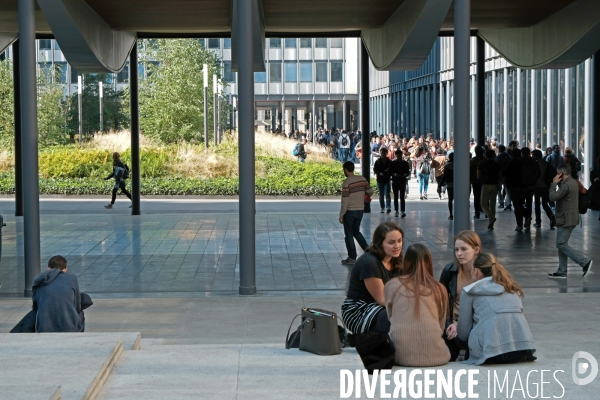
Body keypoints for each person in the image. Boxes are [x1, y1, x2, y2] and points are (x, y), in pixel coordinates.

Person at [458, 252, 536, 365]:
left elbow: (463, 334)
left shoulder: (470, 291)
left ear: (476, 271)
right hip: (522, 350)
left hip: (491, 354)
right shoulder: (512, 288)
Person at [385, 244, 450, 367]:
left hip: (400, 357)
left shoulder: (392, 285)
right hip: (438, 357)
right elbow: (441, 326)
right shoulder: (439, 288)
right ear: (429, 262)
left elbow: (390, 317)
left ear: (406, 262)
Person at [341, 222, 404, 335]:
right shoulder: (370, 263)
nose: (397, 246)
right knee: (392, 315)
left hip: (381, 306)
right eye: (391, 242)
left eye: (399, 241)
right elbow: (382, 299)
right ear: (380, 244)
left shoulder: (396, 260)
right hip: (358, 310)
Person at [439, 230, 482, 361]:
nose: (459, 253)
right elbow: (442, 301)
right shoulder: (450, 271)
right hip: (452, 323)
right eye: (456, 249)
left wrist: (460, 325)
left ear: (476, 249)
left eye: (464, 249)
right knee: (448, 355)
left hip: (475, 323)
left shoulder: (484, 272)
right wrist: (449, 324)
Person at [548, 165, 593, 278]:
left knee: (561, 244)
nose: (556, 176)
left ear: (562, 174)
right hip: (567, 217)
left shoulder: (567, 184)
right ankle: (562, 271)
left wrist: (553, 183)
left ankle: (584, 262)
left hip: (567, 218)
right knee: (561, 244)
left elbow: (553, 197)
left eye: (558, 174)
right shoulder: (572, 182)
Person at [32, 255, 85, 333]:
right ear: (65, 269)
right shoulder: (71, 278)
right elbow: (76, 304)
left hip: (45, 327)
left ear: (48, 268)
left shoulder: (39, 280)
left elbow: (35, 305)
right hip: (70, 327)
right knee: (80, 312)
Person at [339, 161, 374, 265]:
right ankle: (367, 249)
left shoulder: (347, 182)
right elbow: (371, 191)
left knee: (349, 234)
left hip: (350, 211)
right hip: (360, 210)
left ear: (345, 169)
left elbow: (345, 200)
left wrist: (342, 214)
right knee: (356, 231)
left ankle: (352, 257)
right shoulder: (362, 179)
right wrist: (363, 195)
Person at [507, 147, 540, 231]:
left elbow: (509, 174)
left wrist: (508, 186)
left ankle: (520, 224)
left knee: (517, 205)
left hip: (518, 186)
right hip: (530, 186)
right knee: (528, 203)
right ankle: (527, 220)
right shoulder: (533, 162)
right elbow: (538, 173)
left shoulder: (516, 162)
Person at [532, 149, 556, 229]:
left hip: (537, 186)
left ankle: (538, 221)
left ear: (535, 155)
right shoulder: (545, 163)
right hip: (546, 186)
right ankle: (551, 215)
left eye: (533, 155)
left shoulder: (534, 164)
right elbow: (553, 172)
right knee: (545, 203)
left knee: (537, 204)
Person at [478, 149, 501, 230]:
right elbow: (500, 175)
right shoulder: (497, 164)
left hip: (485, 184)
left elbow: (478, 176)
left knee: (483, 204)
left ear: (485, 155)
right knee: (492, 204)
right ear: (494, 155)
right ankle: (491, 223)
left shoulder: (482, 164)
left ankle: (491, 217)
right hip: (494, 185)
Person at [389, 148, 410, 218]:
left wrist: (405, 175)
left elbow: (408, 172)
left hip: (402, 181)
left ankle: (402, 211)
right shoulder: (393, 163)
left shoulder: (405, 163)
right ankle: (396, 210)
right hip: (395, 181)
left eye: (400, 155)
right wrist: (394, 174)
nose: (399, 156)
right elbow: (390, 172)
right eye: (398, 155)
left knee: (402, 197)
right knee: (395, 196)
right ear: (396, 155)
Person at [374, 147, 392, 213]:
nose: (383, 154)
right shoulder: (378, 161)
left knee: (387, 194)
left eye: (384, 153)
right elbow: (375, 169)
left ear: (386, 153)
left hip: (387, 180)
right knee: (381, 195)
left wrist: (388, 172)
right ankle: (382, 207)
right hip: (380, 180)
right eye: (382, 153)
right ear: (380, 153)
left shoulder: (389, 162)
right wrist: (379, 173)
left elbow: (392, 170)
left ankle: (388, 207)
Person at [469, 146, 485, 219]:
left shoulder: (472, 161)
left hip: (475, 181)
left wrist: (470, 180)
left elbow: (470, 172)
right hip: (484, 181)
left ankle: (477, 213)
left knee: (476, 197)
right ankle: (486, 212)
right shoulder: (485, 160)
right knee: (485, 197)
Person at [443, 152, 455, 220]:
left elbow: (444, 176)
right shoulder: (459, 165)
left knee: (450, 199)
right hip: (458, 184)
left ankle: (451, 214)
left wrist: (440, 184)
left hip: (450, 184)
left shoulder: (447, 165)